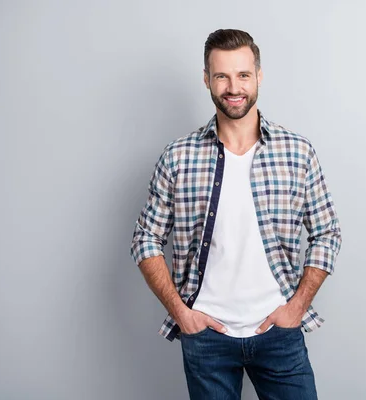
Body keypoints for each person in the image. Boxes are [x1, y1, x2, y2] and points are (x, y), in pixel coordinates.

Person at [130, 28, 342, 400]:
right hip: (206, 337)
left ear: (258, 76)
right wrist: (182, 313)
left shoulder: (297, 152)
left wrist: (298, 307)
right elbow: (145, 238)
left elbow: (327, 233)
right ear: (206, 80)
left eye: (243, 74)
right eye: (222, 75)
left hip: (279, 333)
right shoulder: (178, 156)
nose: (233, 87)